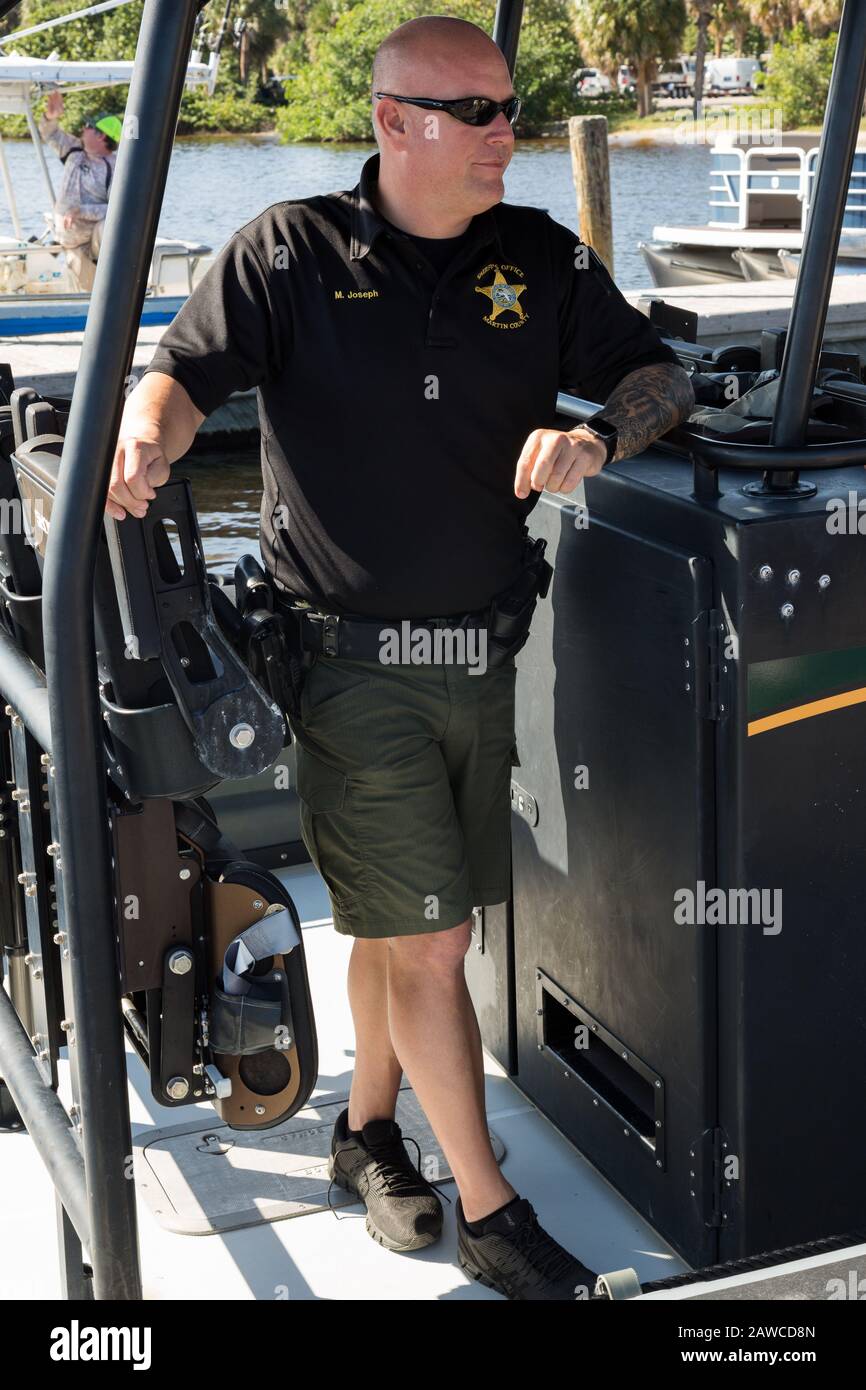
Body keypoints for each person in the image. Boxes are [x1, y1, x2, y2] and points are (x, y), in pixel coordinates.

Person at [107, 16, 695, 1300]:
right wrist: (145, 439)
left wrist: (595, 439)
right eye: (478, 112)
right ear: (392, 120)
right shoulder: (288, 251)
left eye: (510, 108)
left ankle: (365, 1130)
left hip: (483, 657)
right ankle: (491, 1214)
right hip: (345, 667)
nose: (507, 135)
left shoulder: (536, 257)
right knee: (432, 947)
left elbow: (658, 377)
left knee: (407, 923)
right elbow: (184, 370)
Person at [38, 91, 121, 293]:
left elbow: (118, 210)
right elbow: (49, 133)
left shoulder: (117, 167)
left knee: (94, 298)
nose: (83, 129)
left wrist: (79, 210)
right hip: (65, 240)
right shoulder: (74, 150)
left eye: (89, 126)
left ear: (101, 135)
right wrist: (51, 116)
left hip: (86, 247)